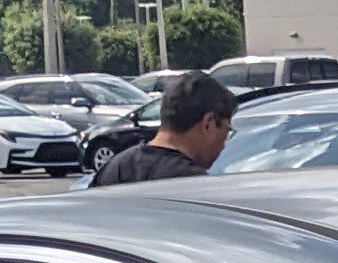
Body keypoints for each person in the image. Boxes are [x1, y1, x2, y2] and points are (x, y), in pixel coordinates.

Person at [86, 71, 233, 184]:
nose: (224, 145)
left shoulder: (114, 169)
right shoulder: (194, 185)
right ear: (209, 123)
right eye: (226, 131)